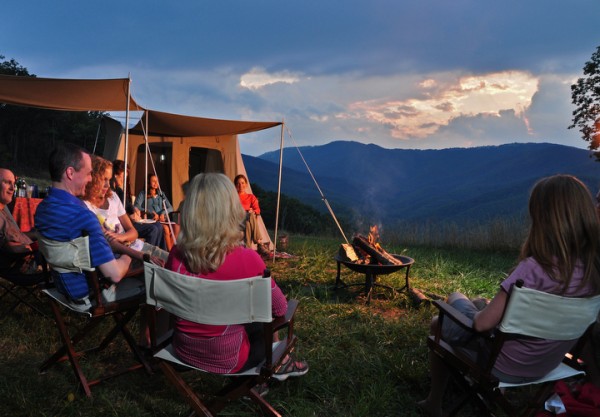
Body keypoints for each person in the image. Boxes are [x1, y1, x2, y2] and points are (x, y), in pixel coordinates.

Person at [418, 174, 600, 417]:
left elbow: (482, 325)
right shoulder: (593, 272)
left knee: (444, 313)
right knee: (478, 304)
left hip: (503, 366)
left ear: (543, 219)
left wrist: (461, 304)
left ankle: (433, 403)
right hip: (547, 365)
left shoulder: (534, 268)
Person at [166, 172, 308, 379]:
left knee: (253, 315)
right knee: (262, 318)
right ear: (230, 210)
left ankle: (275, 368)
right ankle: (281, 363)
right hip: (229, 358)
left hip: (184, 349)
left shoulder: (177, 254)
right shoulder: (247, 259)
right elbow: (280, 309)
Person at [34, 144, 142, 305]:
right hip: (92, 293)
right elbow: (115, 275)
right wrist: (130, 254)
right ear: (70, 173)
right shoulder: (83, 216)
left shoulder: (42, 209)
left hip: (63, 287)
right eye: (89, 173)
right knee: (160, 282)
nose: (91, 179)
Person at [83, 156, 168, 265]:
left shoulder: (112, 196)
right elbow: (111, 244)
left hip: (137, 246)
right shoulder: (86, 206)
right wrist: (142, 255)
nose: (107, 185)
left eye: (109, 180)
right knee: (164, 266)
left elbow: (133, 232)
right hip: (122, 256)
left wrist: (120, 237)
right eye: (103, 179)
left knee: (174, 261)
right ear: (92, 178)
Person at [111, 160, 167, 250]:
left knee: (159, 226)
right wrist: (133, 213)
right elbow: (123, 210)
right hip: (126, 222)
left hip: (132, 219)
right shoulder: (112, 192)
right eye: (123, 176)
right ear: (115, 175)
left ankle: (160, 254)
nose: (124, 179)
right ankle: (147, 255)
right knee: (153, 229)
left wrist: (135, 210)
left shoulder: (119, 191)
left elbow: (129, 206)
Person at [0, 168, 41, 275]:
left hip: (27, 255)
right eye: (7, 182)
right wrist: (36, 247)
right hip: (18, 263)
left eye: (13, 183)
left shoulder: (3, 209)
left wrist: (36, 234)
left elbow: (14, 235)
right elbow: (8, 247)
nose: (12, 188)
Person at [233, 174, 269, 257]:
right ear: (235, 185)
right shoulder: (233, 197)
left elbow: (258, 210)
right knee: (249, 216)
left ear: (246, 184)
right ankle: (259, 243)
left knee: (250, 216)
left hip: (247, 220)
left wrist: (252, 210)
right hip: (236, 220)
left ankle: (248, 247)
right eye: (238, 183)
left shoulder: (251, 197)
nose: (240, 185)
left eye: (242, 183)